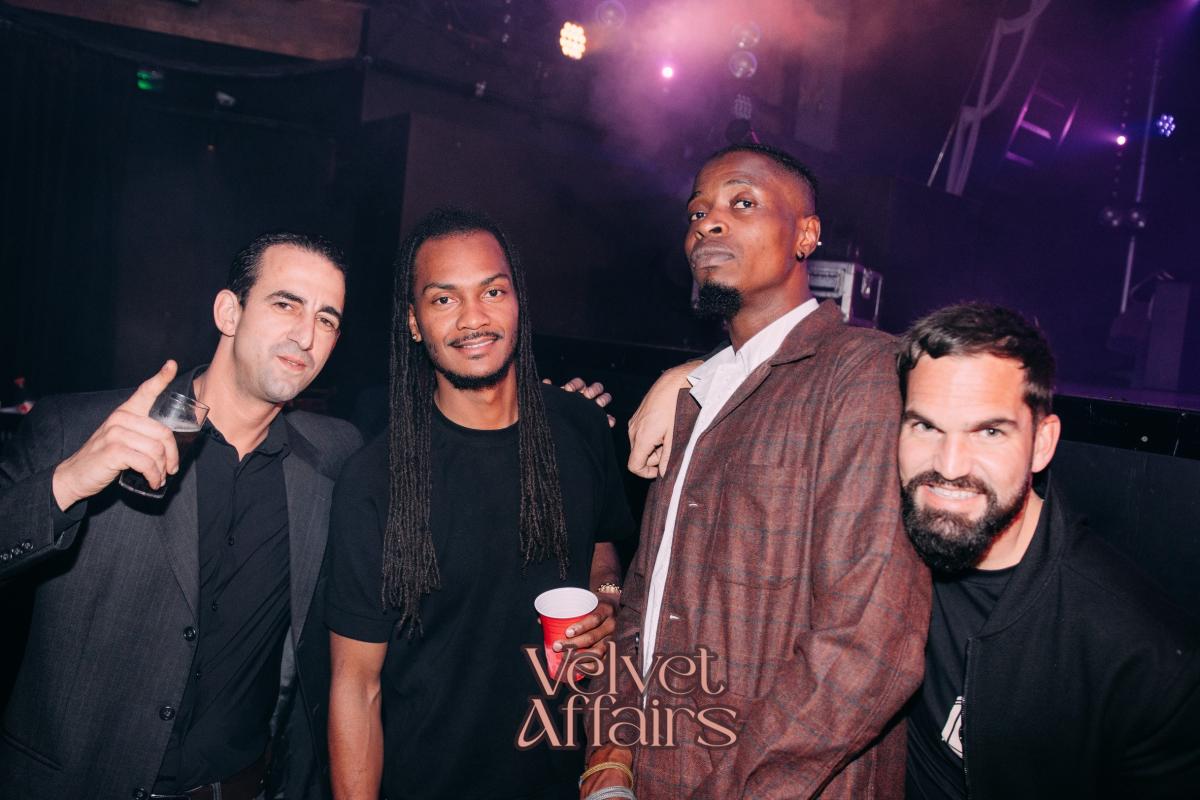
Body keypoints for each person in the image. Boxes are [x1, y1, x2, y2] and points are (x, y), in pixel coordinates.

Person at [582, 143, 930, 800]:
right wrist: (610, 757)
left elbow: (870, 641)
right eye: (697, 212)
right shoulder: (698, 393)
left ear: (806, 235)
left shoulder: (863, 375)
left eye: (743, 202)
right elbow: (645, 605)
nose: (707, 224)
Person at [0, 232, 362, 800]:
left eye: (327, 319)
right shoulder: (80, 429)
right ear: (229, 312)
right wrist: (67, 483)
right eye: (285, 304)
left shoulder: (334, 457)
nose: (306, 335)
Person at [325, 208, 634, 800]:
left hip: (566, 782)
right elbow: (355, 687)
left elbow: (602, 546)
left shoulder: (581, 427)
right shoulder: (375, 479)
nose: (474, 318)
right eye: (445, 300)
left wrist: (608, 599)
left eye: (492, 291)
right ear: (414, 323)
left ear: (518, 302)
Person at [895, 303, 1200, 799]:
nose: (949, 466)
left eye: (989, 432)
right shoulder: (878, 545)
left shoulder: (1144, 661)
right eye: (926, 427)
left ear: (1042, 443)